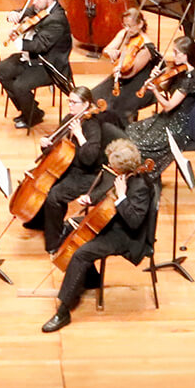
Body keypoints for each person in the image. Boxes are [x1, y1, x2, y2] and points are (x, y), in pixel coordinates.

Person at [41, 139, 157, 333]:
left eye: (112, 165)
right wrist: (91, 198)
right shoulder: (124, 175)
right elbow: (107, 192)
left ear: (122, 167)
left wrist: (122, 197)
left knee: (81, 254)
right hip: (113, 222)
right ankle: (91, 278)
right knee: (69, 226)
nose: (109, 167)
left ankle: (63, 312)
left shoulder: (140, 186)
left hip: (127, 235)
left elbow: (135, 221)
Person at [22, 88, 123, 253]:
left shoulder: (92, 126)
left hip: (87, 174)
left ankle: (55, 242)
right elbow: (56, 145)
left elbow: (90, 158)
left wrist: (79, 135)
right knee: (43, 183)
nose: (70, 105)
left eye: (74, 102)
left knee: (55, 196)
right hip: (68, 165)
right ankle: (40, 221)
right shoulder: (69, 118)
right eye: (69, 101)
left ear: (86, 105)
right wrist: (45, 143)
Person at [0, 0, 72, 129]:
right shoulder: (40, 8)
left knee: (19, 85)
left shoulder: (57, 19)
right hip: (31, 58)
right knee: (1, 70)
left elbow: (40, 45)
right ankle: (30, 110)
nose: (34, 2)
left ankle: (32, 116)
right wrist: (14, 14)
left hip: (49, 64)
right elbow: (27, 12)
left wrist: (17, 40)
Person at [124, 37, 195, 170]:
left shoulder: (189, 80)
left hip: (178, 126)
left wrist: (155, 91)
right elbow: (163, 87)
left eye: (176, 52)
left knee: (140, 143)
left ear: (186, 55)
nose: (173, 56)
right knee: (130, 131)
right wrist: (155, 78)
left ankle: (143, 173)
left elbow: (168, 106)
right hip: (167, 118)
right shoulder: (179, 70)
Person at [92, 8, 157, 116]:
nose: (127, 29)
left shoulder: (147, 46)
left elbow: (132, 72)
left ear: (140, 24)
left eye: (130, 26)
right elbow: (106, 50)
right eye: (125, 25)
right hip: (120, 76)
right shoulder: (124, 33)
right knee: (94, 96)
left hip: (135, 83)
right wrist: (110, 52)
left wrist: (118, 70)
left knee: (112, 106)